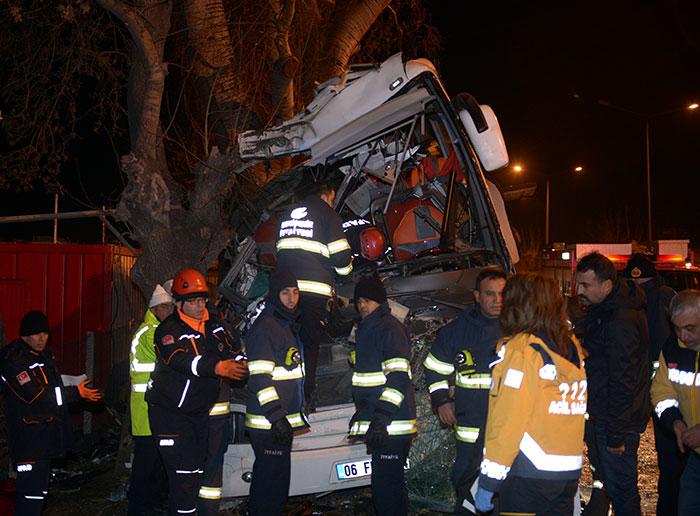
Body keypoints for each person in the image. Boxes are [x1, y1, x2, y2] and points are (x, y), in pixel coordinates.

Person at [475, 273, 587, 515]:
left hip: (527, 474)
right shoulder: (571, 348)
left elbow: (507, 421)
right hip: (566, 474)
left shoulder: (521, 351)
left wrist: (489, 481)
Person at [145, 269, 247, 516]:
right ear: (178, 303)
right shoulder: (168, 331)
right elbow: (181, 360)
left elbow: (234, 348)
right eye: (192, 301)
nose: (199, 305)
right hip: (170, 415)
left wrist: (241, 365)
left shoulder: (215, 326)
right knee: (184, 480)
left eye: (201, 299)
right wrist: (218, 367)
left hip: (200, 414)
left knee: (196, 474)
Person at [0, 310, 102, 515]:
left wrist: (73, 386)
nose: (41, 338)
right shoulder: (14, 360)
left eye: (44, 333)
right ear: (24, 335)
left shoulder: (42, 355)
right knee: (30, 495)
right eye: (36, 334)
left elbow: (50, 386)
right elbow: (37, 395)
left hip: (43, 438)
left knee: (38, 493)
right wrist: (75, 393)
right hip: (28, 440)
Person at [423, 267, 507, 514]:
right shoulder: (457, 331)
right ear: (476, 296)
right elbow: (434, 367)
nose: (497, 300)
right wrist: (441, 400)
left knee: (504, 494)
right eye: (490, 294)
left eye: (502, 294)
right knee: (465, 482)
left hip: (508, 432)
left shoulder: (519, 329)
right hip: (470, 432)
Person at [575, 252, 651, 516]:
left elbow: (623, 378)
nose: (578, 291)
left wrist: (617, 433)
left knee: (622, 491)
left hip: (617, 420)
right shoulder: (607, 310)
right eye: (578, 283)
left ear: (606, 286)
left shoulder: (620, 320)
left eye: (586, 285)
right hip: (610, 416)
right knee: (616, 486)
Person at [275, 181, 353, 409]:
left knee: (288, 344)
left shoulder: (285, 214)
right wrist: (347, 275)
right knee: (310, 345)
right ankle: (305, 398)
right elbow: (340, 259)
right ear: (328, 195)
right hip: (313, 293)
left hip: (285, 293)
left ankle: (286, 395)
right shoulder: (327, 215)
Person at [349, 275, 416, 516]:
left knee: (385, 491)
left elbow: (398, 379)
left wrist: (380, 420)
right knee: (391, 490)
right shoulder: (368, 328)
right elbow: (371, 382)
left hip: (391, 426)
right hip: (386, 423)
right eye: (359, 301)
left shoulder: (388, 328)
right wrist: (364, 413)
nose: (363, 306)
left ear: (380, 301)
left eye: (368, 300)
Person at [245, 271, 309, 516]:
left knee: (277, 485)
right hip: (269, 424)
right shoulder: (266, 328)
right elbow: (260, 379)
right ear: (274, 295)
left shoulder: (286, 323)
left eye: (295, 292)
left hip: (279, 422)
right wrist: (277, 417)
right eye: (285, 293)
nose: (291, 298)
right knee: (269, 487)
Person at [622, 253, 681, 516]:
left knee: (672, 458)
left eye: (640, 283)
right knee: (668, 458)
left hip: (668, 391)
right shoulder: (648, 299)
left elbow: (659, 346)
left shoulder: (659, 298)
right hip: (655, 389)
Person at [651, 289, 700, 516]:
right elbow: (661, 391)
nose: (683, 336)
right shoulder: (672, 348)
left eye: (690, 328)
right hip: (695, 459)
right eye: (677, 328)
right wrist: (675, 421)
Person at [128, 281, 174, 515]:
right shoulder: (150, 332)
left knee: (156, 462)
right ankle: (138, 507)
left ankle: (150, 504)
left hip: (153, 407)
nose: (169, 310)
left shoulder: (157, 330)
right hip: (145, 409)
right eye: (164, 307)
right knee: (146, 464)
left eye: (170, 306)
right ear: (154, 309)